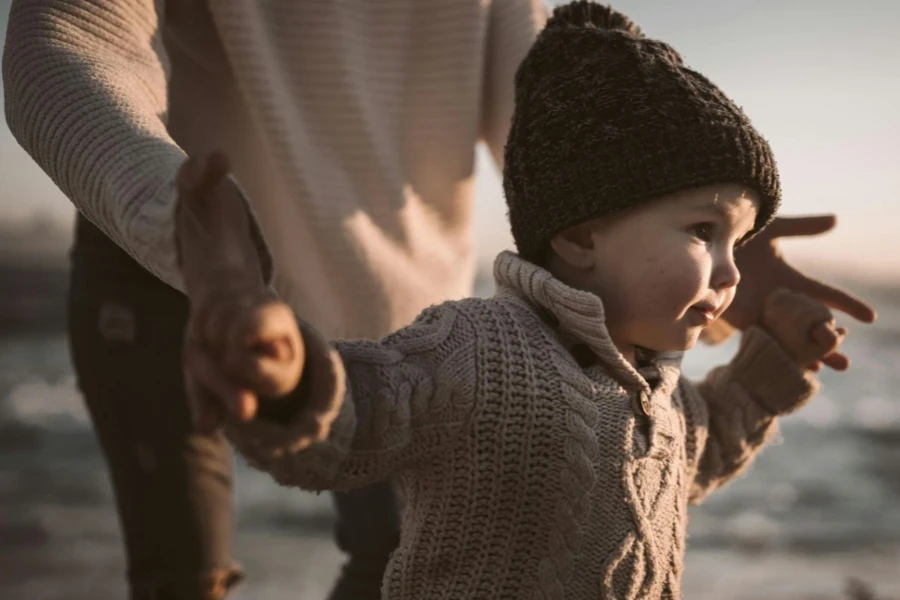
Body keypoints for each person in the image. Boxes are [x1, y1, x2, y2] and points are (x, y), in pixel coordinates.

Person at [1, 0, 876, 598]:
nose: (730, 266)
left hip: (389, 285)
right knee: (182, 576)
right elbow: (351, 425)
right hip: (186, 256)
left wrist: (732, 276)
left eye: (734, 240)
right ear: (578, 236)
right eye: (709, 236)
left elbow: (563, 116)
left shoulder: (641, 381)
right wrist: (223, 272)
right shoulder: (480, 357)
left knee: (383, 554)